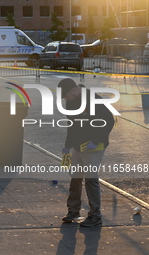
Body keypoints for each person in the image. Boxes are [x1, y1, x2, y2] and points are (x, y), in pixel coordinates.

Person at [58, 78, 115, 227]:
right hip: (77, 146)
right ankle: (73, 211)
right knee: (75, 178)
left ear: (74, 90)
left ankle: (95, 216)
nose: (66, 99)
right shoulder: (70, 103)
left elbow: (109, 120)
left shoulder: (93, 99)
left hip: (93, 147)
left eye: (67, 96)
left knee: (90, 180)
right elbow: (72, 125)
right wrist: (67, 146)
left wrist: (95, 141)